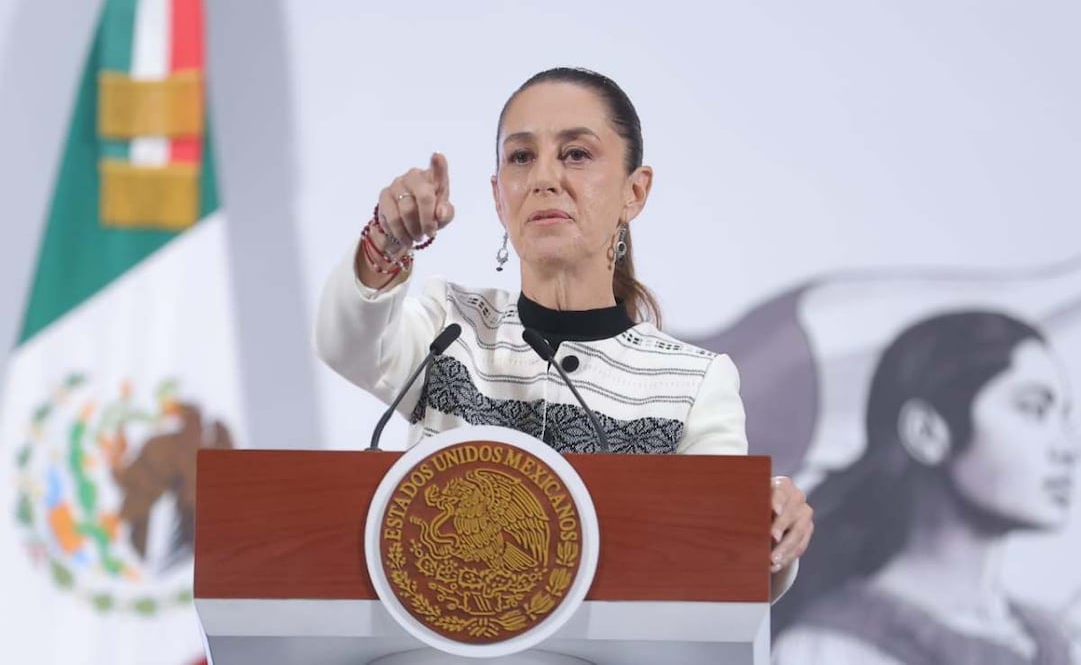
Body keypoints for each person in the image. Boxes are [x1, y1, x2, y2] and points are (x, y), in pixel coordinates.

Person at [313, 67, 812, 598]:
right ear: (499, 197)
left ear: (634, 192)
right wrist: (386, 242)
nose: (544, 178)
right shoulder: (449, 325)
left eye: (576, 154)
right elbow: (347, 345)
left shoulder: (692, 383)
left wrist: (773, 528)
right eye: (521, 157)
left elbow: (725, 558)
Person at [772, 311, 1079, 663]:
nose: (1068, 447)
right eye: (1034, 409)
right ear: (927, 432)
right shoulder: (835, 648)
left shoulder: (1051, 638)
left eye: (1064, 416)